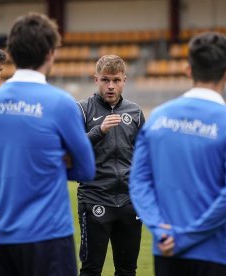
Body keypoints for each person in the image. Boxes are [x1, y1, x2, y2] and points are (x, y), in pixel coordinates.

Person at [129, 31, 226, 276]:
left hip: (166, 249)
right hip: (216, 253)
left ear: (188, 69)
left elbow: (138, 181)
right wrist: (185, 237)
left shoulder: (158, 117)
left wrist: (161, 230)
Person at [0, 12, 96, 276]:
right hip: (48, 234)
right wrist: (52, 162)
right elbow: (87, 169)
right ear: (50, 53)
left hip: (0, 234)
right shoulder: (60, 102)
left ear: (12, 52)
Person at [77, 55, 145, 276]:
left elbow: (145, 156)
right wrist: (99, 131)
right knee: (91, 269)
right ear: (95, 79)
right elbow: (72, 150)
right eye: (105, 80)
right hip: (95, 198)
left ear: (124, 80)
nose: (110, 86)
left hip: (129, 202)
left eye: (116, 80)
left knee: (127, 270)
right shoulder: (83, 110)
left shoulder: (135, 112)